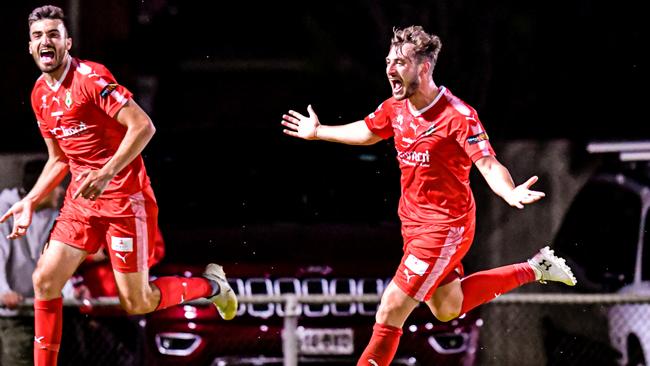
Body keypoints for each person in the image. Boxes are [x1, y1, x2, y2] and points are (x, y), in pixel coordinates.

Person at [281, 25, 577, 366]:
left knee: (391, 307)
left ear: (423, 68)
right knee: (447, 306)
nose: (391, 69)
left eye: (400, 62)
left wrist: (508, 191)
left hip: (445, 228)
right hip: (414, 227)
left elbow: (488, 163)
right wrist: (318, 131)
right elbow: (368, 130)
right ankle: (535, 268)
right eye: (389, 61)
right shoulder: (396, 107)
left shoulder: (458, 116)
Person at [0, 6, 237, 366]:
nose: (44, 41)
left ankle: (212, 286)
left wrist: (107, 172)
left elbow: (143, 126)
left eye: (52, 34)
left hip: (125, 200)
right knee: (45, 279)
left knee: (136, 302)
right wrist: (31, 201)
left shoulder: (91, 78)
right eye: (37, 36)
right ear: (29, 46)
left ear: (67, 42)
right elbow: (59, 159)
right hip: (82, 203)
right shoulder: (39, 95)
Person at [0, 159, 63, 366]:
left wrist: (72, 291)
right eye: (56, 184)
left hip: (44, 312)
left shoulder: (54, 216)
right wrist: (3, 290)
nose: (61, 190)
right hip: (14, 313)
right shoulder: (5, 209)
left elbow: (55, 261)